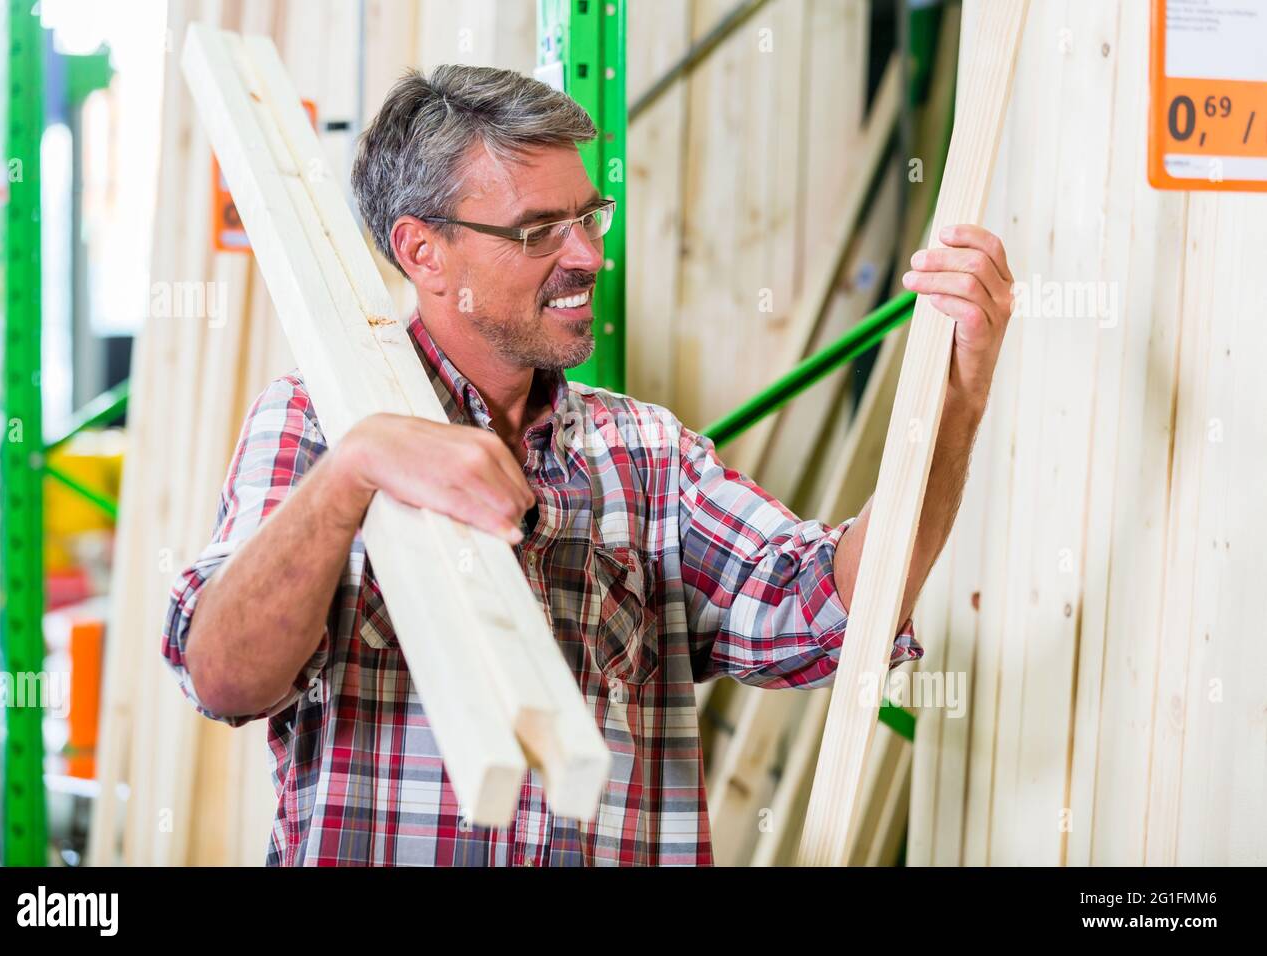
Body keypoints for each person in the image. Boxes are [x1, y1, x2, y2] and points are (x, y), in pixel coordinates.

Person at [163, 65, 1015, 866]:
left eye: (590, 216)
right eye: (539, 231)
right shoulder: (321, 422)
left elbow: (829, 615)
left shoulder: (644, 454)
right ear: (423, 251)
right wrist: (352, 475)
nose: (588, 256)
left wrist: (957, 401)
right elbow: (225, 677)